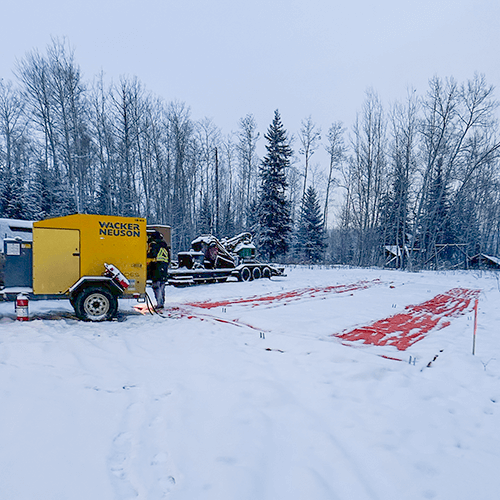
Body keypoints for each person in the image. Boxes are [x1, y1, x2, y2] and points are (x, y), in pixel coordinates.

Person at [147, 231, 170, 310]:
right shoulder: (165, 245)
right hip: (164, 267)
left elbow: (151, 255)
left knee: (156, 286)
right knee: (162, 286)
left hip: (156, 267)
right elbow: (168, 258)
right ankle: (162, 302)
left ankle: (159, 304)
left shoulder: (154, 244)